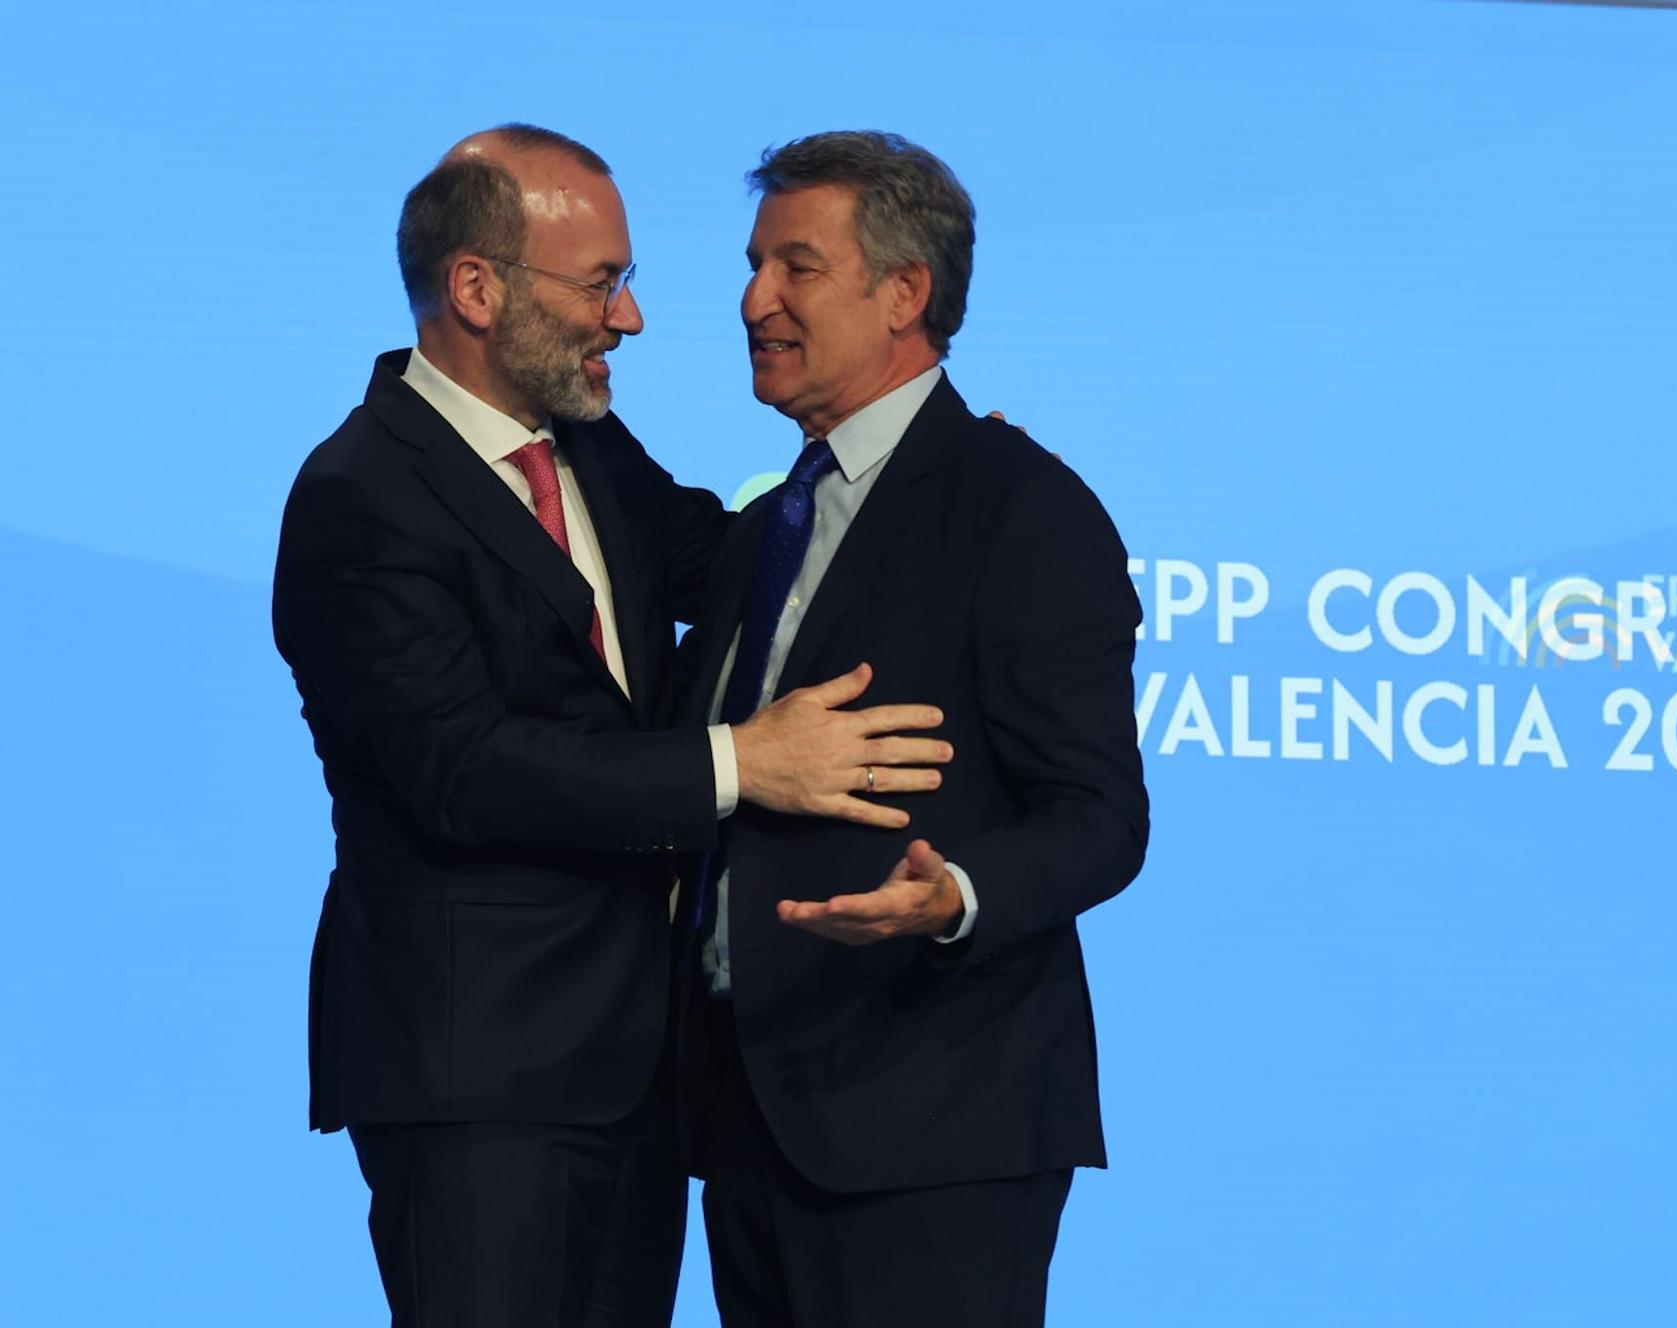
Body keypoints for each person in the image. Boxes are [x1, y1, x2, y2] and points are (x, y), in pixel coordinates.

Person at [272, 123, 950, 1328]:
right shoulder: (358, 497)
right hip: (474, 1079)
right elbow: (461, 770)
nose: (627, 319)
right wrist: (743, 762)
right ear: (475, 288)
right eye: (602, 284)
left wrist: (922, 473)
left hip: (633, 1073)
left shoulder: (579, 445)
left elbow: (732, 556)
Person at [678, 130, 1149, 1328]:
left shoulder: (1020, 506)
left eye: (795, 266)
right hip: (750, 1121)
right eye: (751, 264)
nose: (753, 299)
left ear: (903, 293)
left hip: (933, 1125)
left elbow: (1101, 816)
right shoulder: (766, 520)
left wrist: (956, 895)